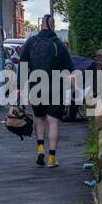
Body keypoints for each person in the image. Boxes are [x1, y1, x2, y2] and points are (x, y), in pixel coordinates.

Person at [19, 14, 72, 167]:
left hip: (36, 87)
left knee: (40, 118)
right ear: (53, 26)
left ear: (41, 25)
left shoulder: (31, 42)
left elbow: (23, 66)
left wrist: (19, 88)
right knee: (53, 121)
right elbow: (70, 69)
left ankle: (40, 149)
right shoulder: (59, 45)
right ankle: (52, 158)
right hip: (56, 87)